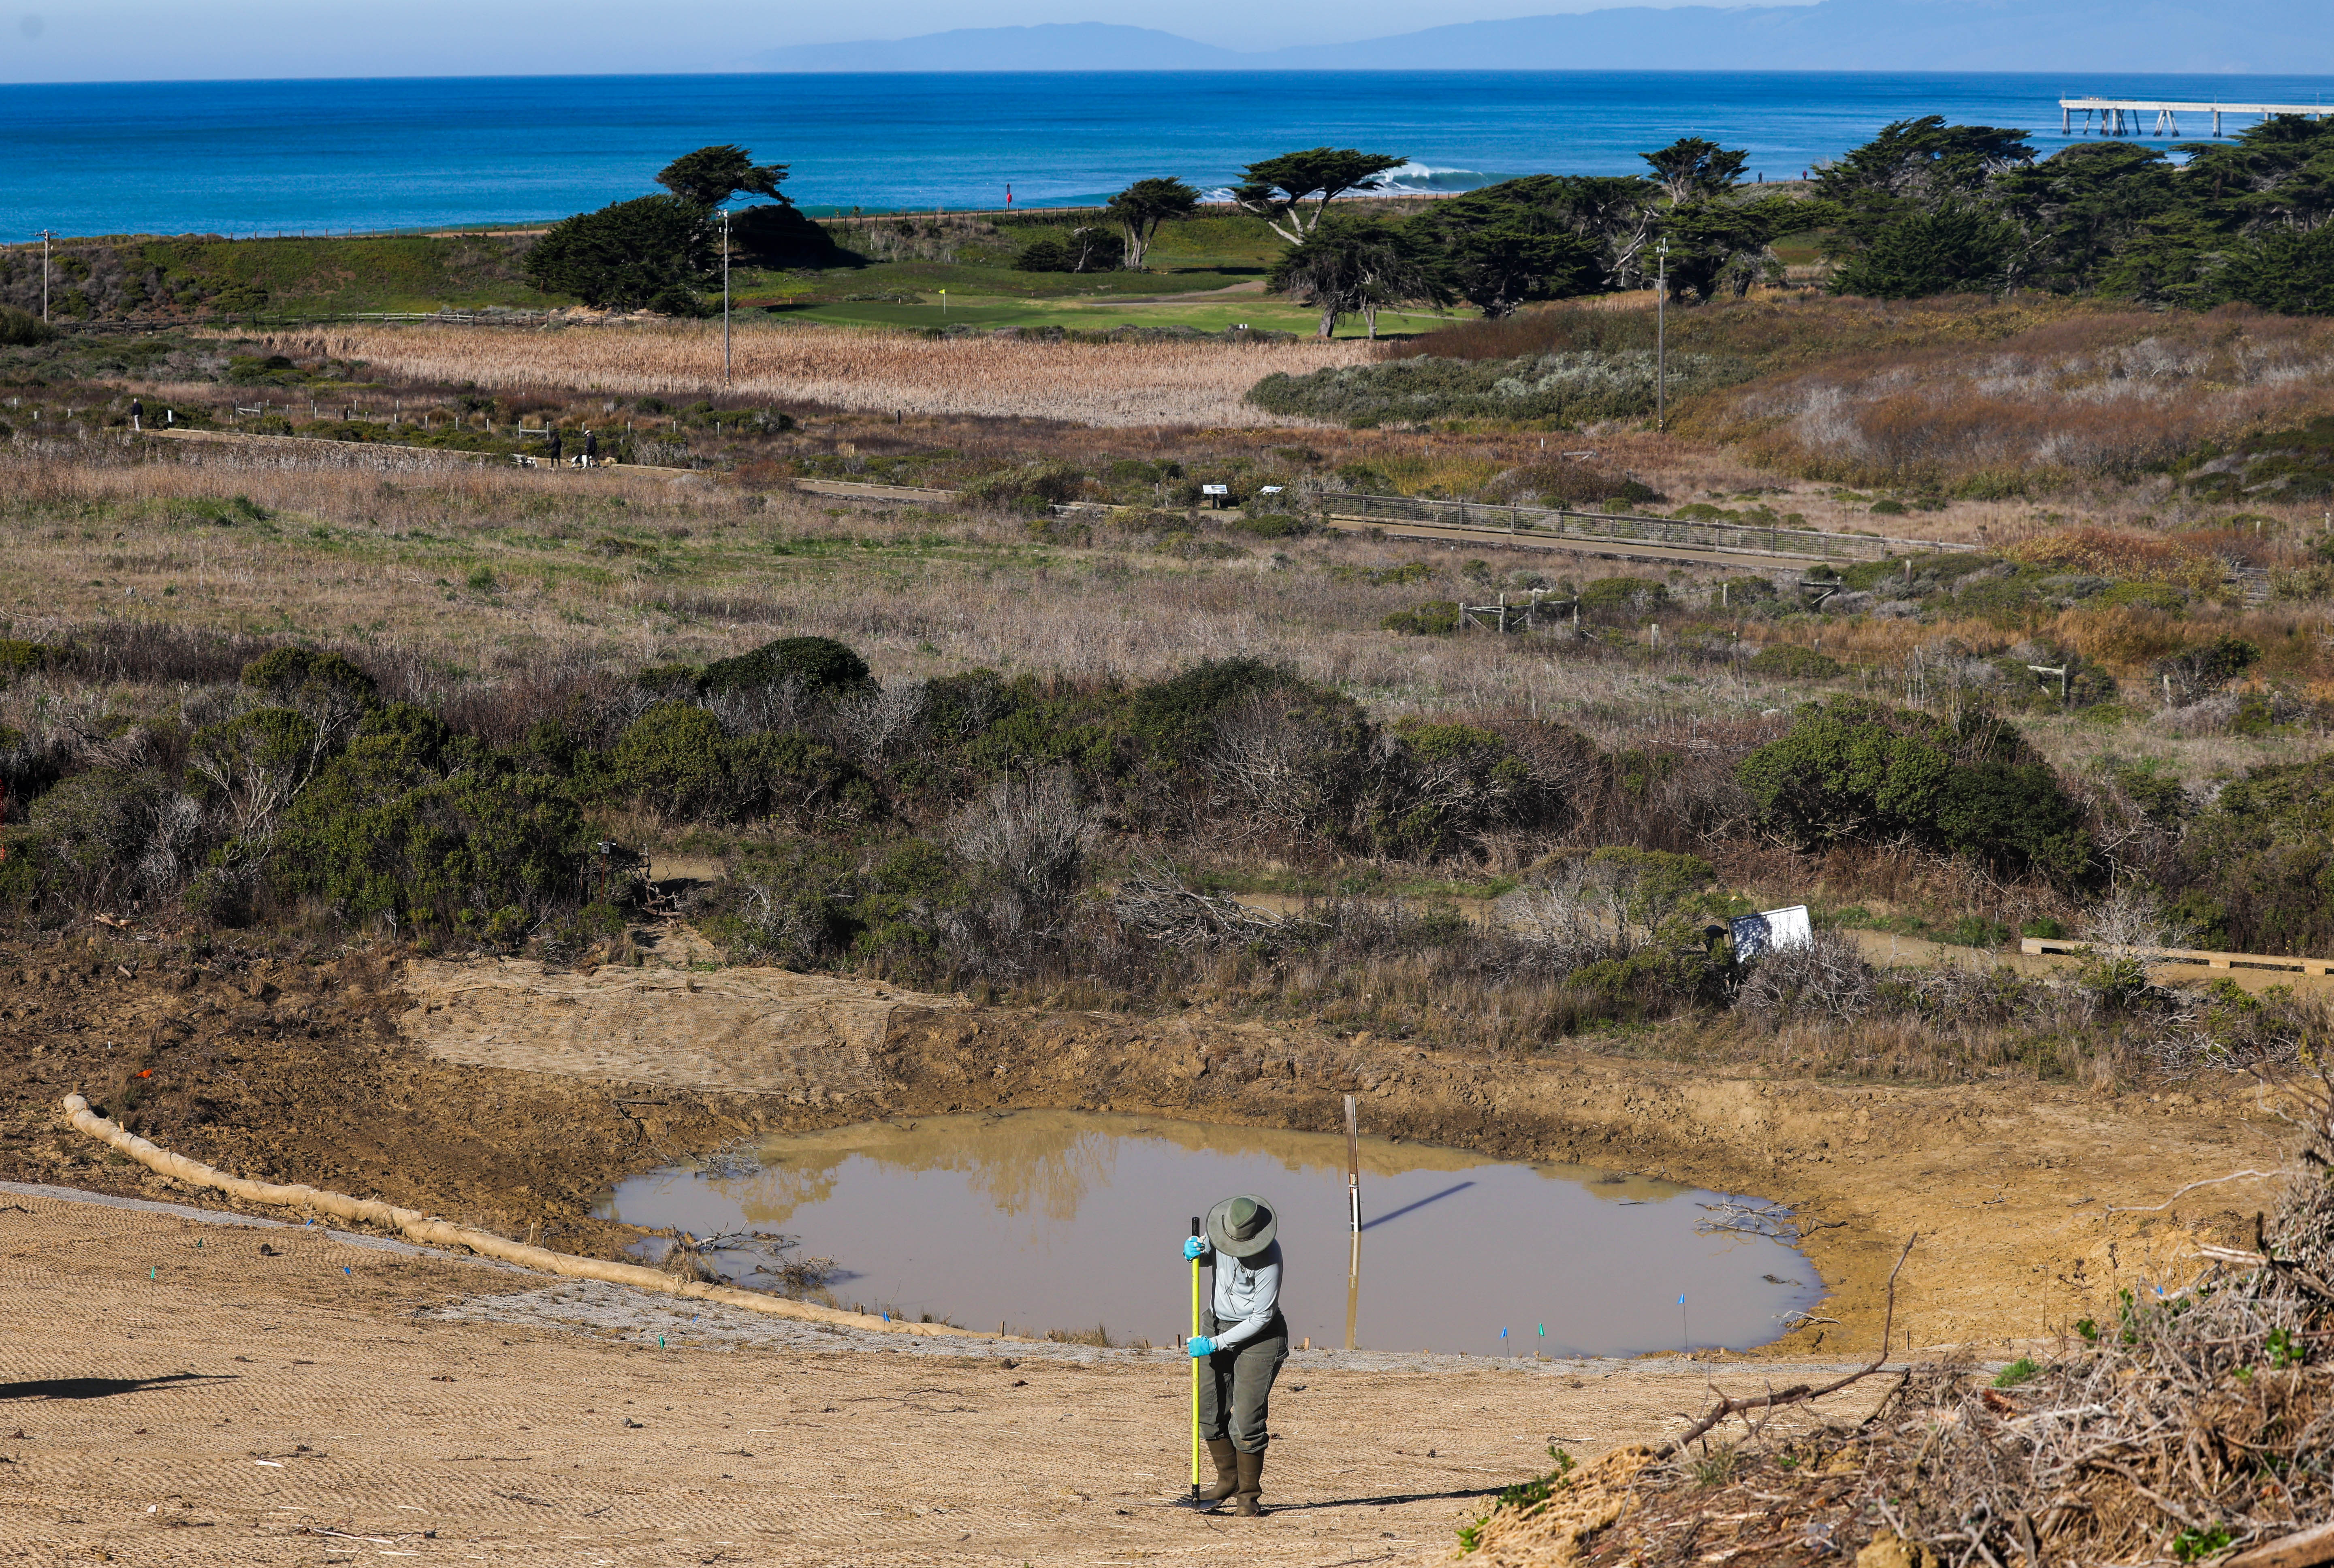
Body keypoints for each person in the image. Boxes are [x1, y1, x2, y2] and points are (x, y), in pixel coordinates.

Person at [1182, 1194, 1286, 1516]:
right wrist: (1194, 1252)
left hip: (1259, 1338)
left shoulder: (1270, 1257)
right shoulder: (1218, 1229)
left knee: (1246, 1419)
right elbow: (1206, 1255)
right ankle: (1228, 1480)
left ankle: (1248, 1498)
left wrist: (1215, 1344)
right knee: (1208, 1407)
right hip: (1216, 1322)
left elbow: (1261, 1317)